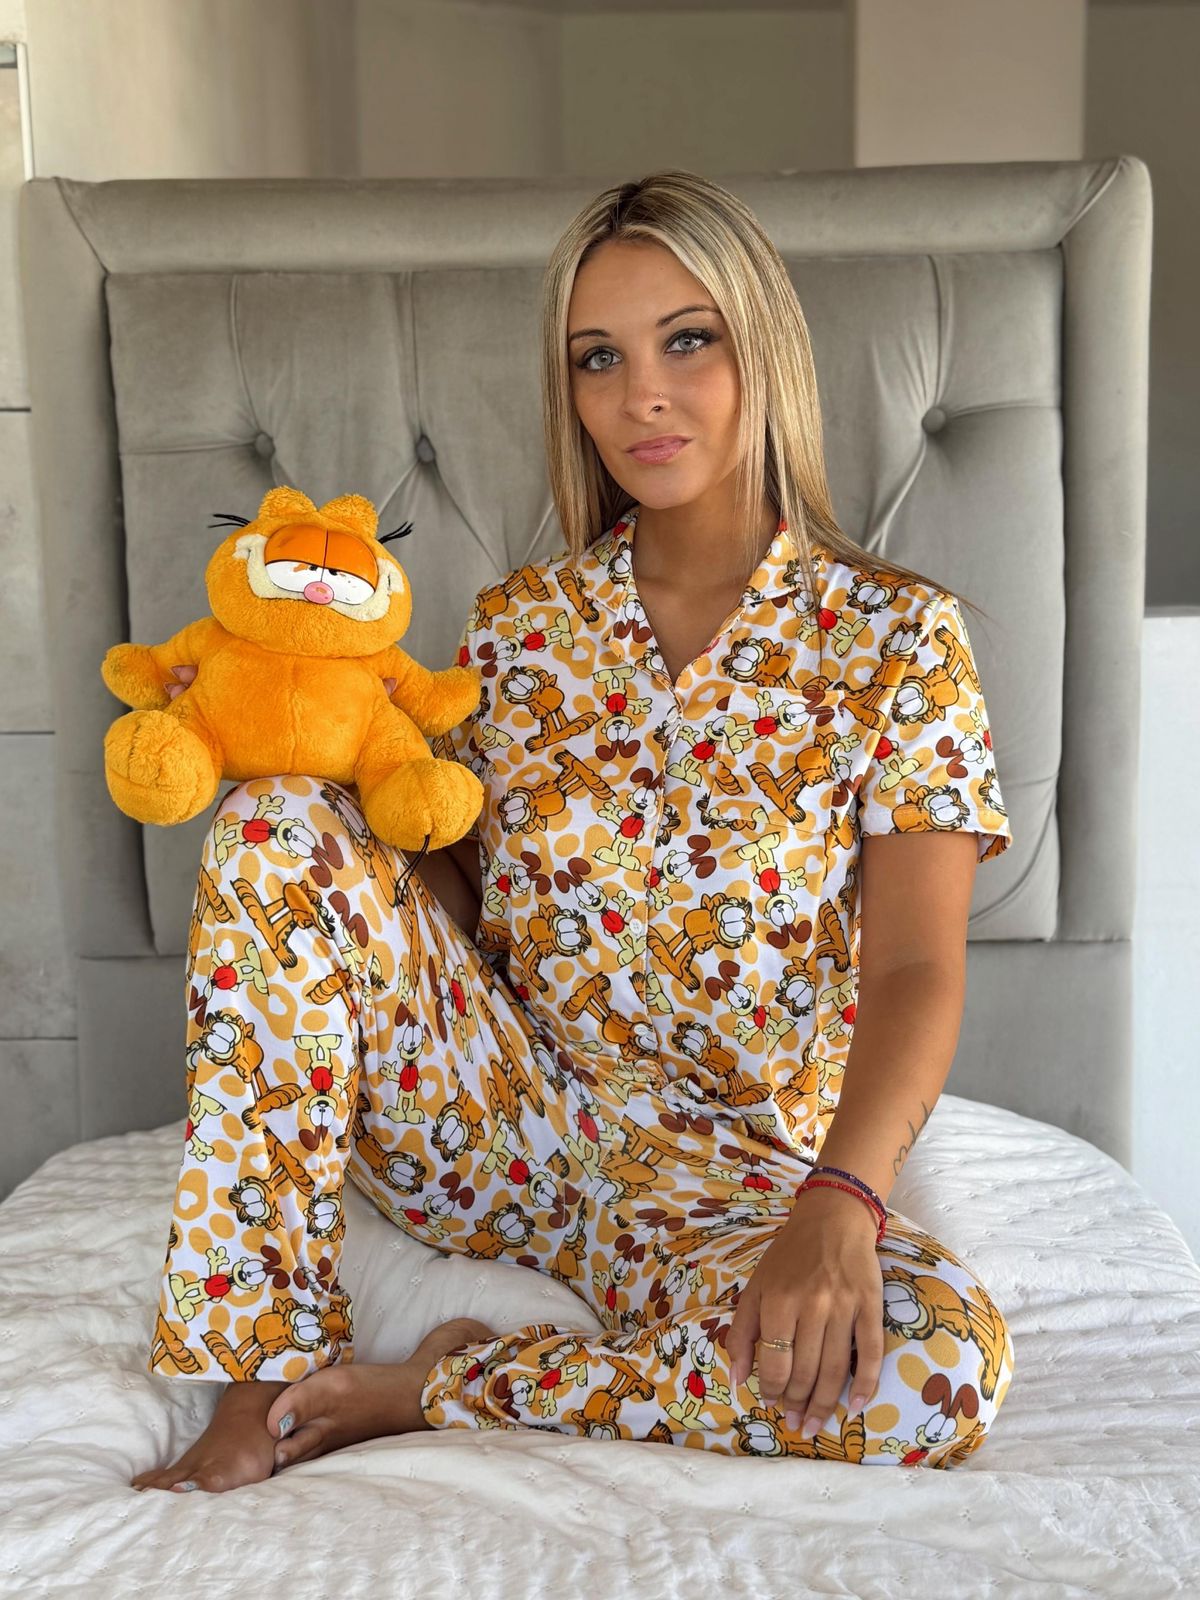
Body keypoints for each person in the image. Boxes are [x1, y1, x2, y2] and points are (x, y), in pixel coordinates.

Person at [132, 169, 1015, 1494]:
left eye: (687, 341)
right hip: (503, 1130)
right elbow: (463, 892)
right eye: (598, 357)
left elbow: (913, 968)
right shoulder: (521, 627)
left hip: (736, 1183)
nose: (640, 395)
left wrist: (843, 1200)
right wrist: (308, 780)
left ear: (763, 350)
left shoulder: (897, 641)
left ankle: (448, 1387)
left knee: (936, 1369)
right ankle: (260, 1376)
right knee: (277, 820)